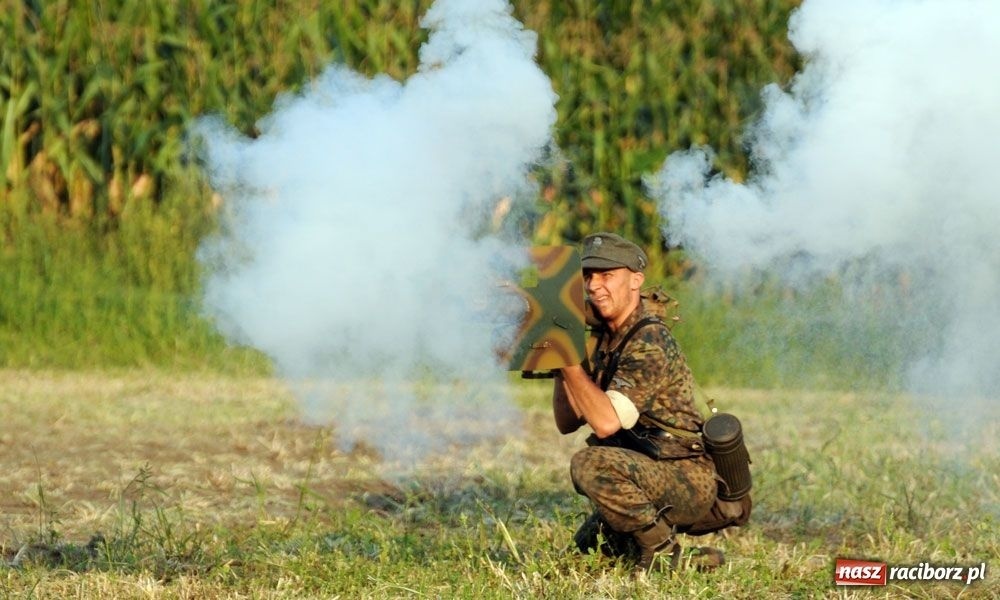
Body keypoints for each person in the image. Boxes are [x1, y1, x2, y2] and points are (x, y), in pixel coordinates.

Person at [552, 232, 722, 574]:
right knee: (585, 556)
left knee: (589, 463)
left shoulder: (650, 340)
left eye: (607, 275)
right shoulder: (607, 336)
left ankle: (660, 550)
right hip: (648, 470)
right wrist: (560, 357)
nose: (594, 285)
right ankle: (691, 560)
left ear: (636, 280)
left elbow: (605, 423)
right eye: (588, 276)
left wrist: (569, 361)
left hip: (684, 477)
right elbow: (567, 421)